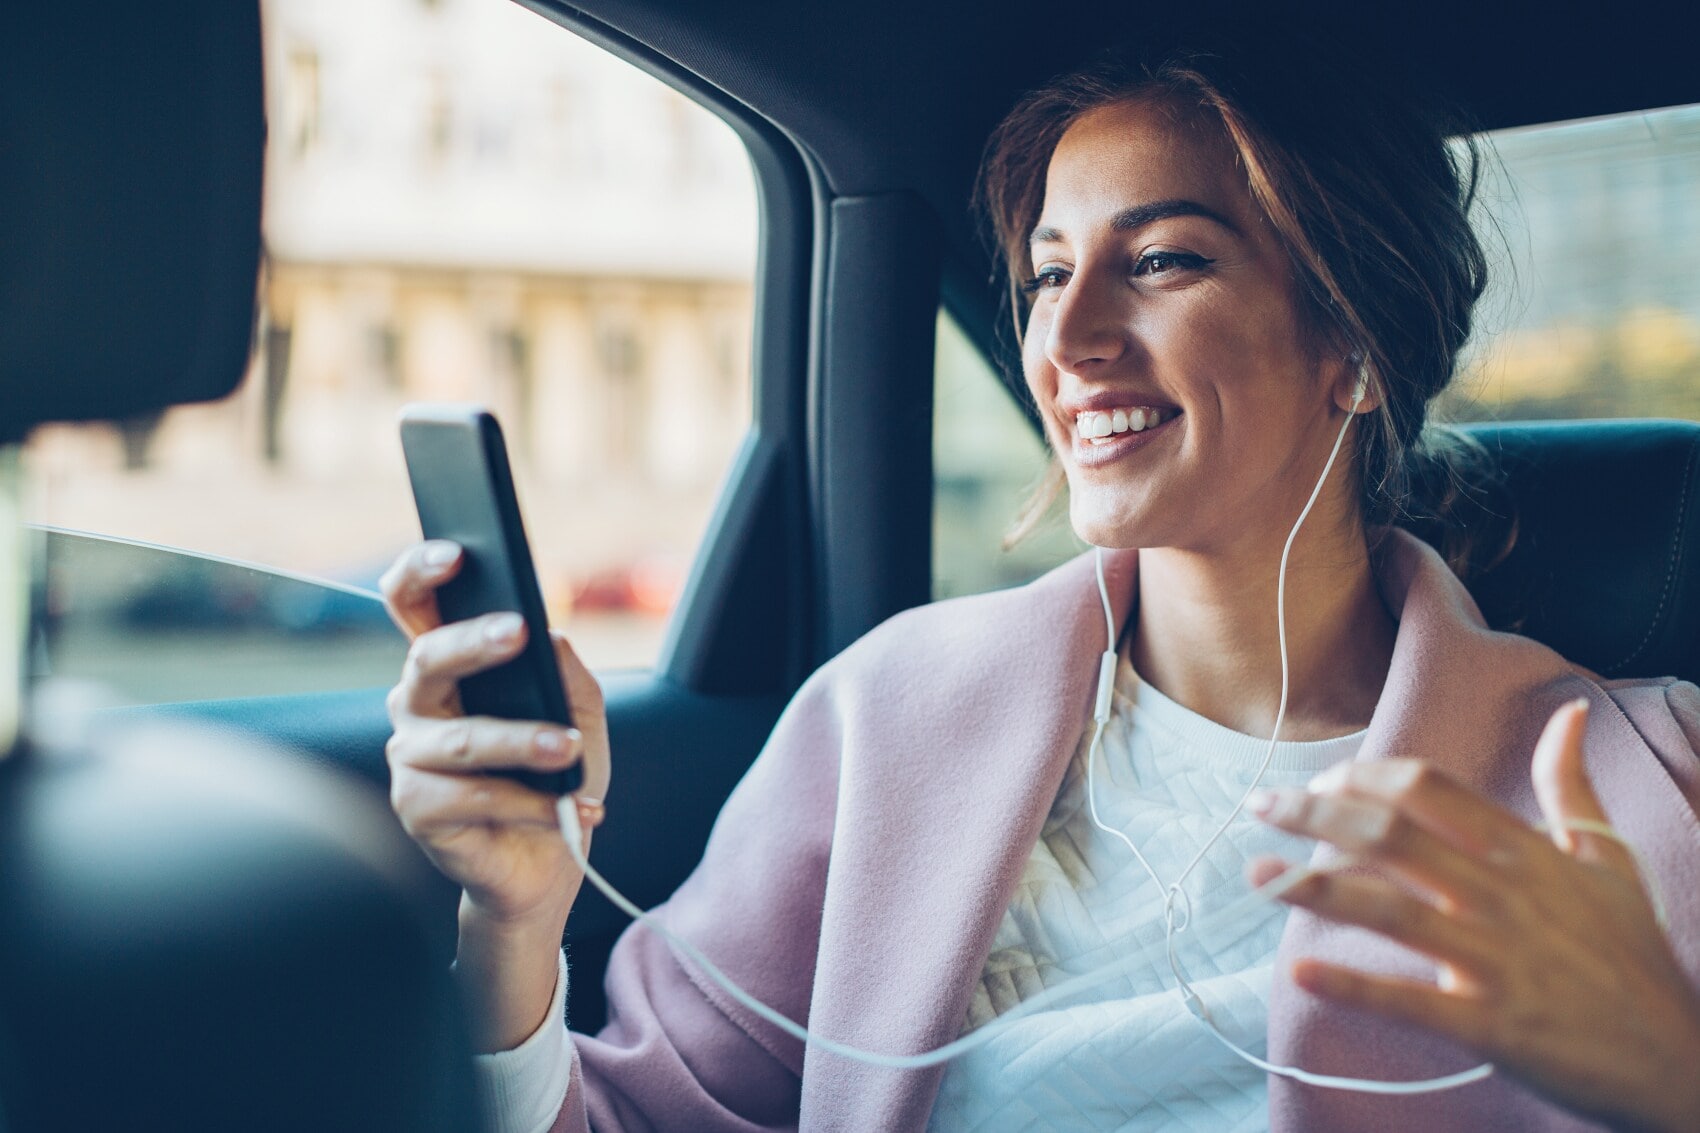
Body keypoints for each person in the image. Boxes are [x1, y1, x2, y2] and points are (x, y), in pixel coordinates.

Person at [380, 44, 1700, 1133]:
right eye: (1051, 271)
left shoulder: (1648, 781)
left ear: (1356, 342)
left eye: (1164, 259)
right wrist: (516, 921)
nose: (1062, 345)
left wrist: (1665, 1067)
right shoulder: (888, 714)